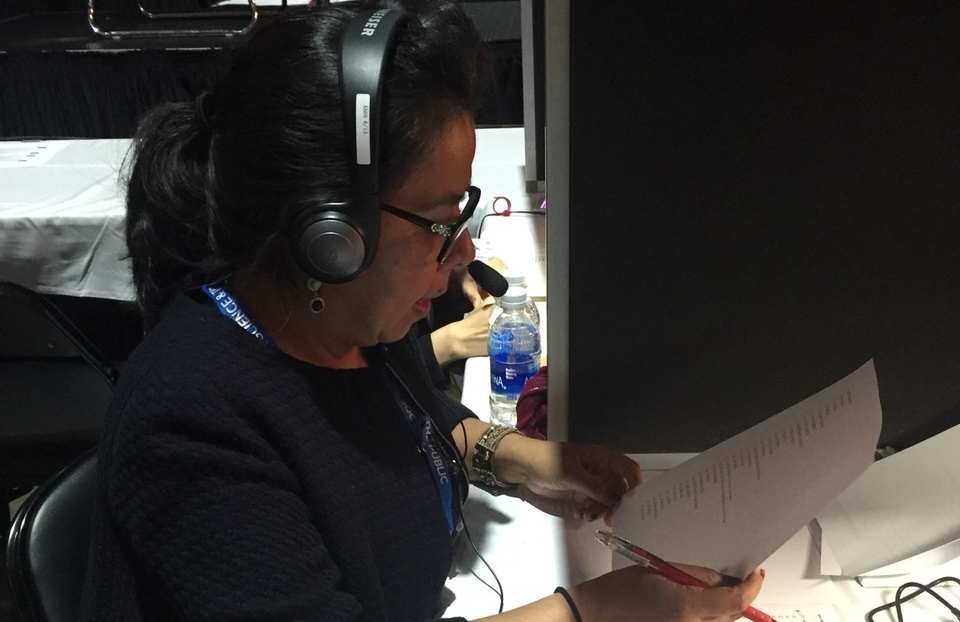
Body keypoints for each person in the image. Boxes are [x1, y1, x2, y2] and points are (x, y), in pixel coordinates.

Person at [79, 2, 765, 621]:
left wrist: (535, 462)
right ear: (332, 237)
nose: (463, 250)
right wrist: (594, 614)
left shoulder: (354, 323)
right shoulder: (192, 419)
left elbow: (424, 421)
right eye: (439, 219)